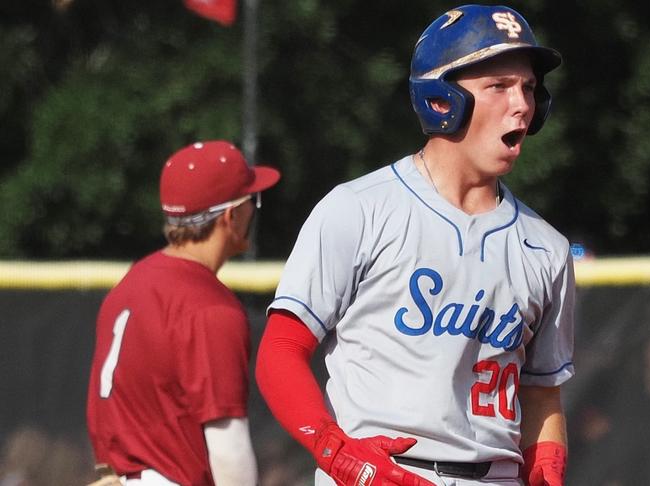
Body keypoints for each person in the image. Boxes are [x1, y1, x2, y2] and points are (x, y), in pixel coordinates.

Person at [256, 5, 576, 486]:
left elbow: (542, 393)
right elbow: (280, 350)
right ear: (442, 100)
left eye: (529, 88)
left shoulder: (546, 248)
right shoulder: (359, 209)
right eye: (499, 86)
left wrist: (548, 465)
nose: (522, 104)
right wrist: (334, 450)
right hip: (381, 473)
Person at [85, 140, 281, 486]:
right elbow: (228, 448)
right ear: (231, 215)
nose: (255, 209)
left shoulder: (129, 285)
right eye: (252, 200)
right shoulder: (210, 307)